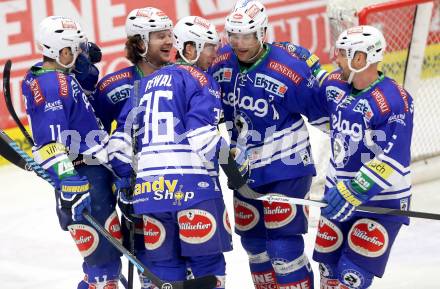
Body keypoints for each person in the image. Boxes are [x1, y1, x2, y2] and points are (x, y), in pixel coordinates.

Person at [209, 1, 328, 288]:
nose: (239, 43)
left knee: (282, 249)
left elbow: (326, 116)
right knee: (254, 247)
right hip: (244, 171)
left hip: (286, 168)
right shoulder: (222, 60)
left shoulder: (289, 68)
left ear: (263, 33)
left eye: (247, 36)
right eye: (233, 35)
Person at [109, 16, 232, 289]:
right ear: (190, 49)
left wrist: (128, 184)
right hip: (195, 192)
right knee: (207, 269)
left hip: (151, 195)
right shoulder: (202, 80)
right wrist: (235, 168)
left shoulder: (143, 85)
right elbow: (202, 136)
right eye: (210, 46)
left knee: (164, 270)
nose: (216, 53)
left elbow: (118, 145)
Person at [22, 16, 123, 288]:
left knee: (108, 262)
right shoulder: (53, 85)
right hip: (83, 177)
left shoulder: (53, 75)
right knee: (103, 272)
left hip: (95, 172)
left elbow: (79, 105)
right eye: (75, 49)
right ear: (62, 52)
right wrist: (68, 180)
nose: (81, 52)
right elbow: (49, 143)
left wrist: (86, 68)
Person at [310, 25, 414, 289]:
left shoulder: (394, 100)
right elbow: (311, 106)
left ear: (361, 58)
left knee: (349, 276)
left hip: (382, 203)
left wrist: (354, 191)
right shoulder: (335, 84)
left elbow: (394, 157)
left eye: (343, 53)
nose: (336, 58)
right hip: (337, 197)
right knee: (328, 272)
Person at [90, 8, 173, 287]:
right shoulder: (114, 86)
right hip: (138, 190)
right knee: (150, 264)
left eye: (170, 34)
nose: (169, 42)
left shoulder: (183, 77)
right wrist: (120, 180)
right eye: (160, 36)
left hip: (179, 185)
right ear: (139, 43)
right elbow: (95, 138)